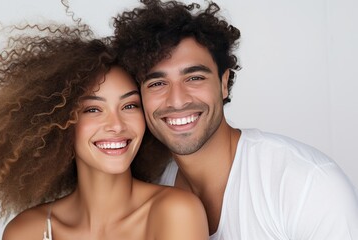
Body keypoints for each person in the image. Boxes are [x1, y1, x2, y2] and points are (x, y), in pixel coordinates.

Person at [112, 0, 358, 239]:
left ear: (223, 83)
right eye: (157, 83)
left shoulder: (306, 184)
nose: (177, 100)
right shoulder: (148, 187)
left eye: (194, 78)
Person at [0, 24, 209, 239]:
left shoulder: (175, 212)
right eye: (92, 110)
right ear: (58, 124)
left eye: (130, 105)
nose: (117, 125)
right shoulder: (26, 231)